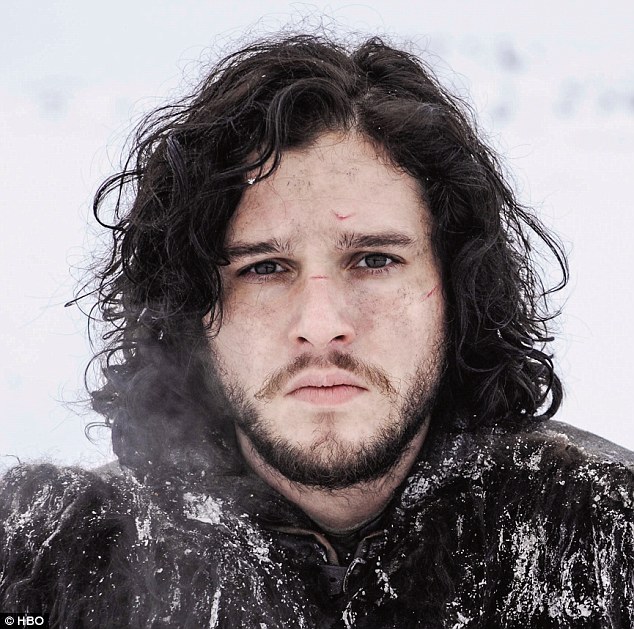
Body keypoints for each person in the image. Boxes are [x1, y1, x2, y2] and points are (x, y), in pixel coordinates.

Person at [1, 33, 633, 628]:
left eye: (375, 260)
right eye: (266, 268)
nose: (323, 326)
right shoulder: (51, 569)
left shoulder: (612, 538)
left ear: (458, 290)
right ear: (190, 310)